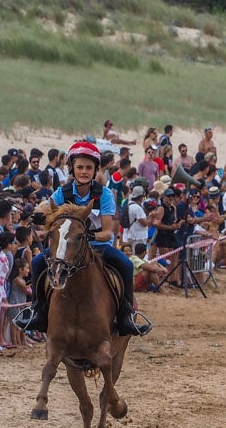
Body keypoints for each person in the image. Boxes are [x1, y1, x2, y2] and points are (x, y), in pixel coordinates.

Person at [15, 141, 153, 337]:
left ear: (96, 169)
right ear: (73, 168)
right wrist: (38, 215)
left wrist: (89, 235)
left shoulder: (104, 194)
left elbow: (107, 232)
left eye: (89, 168)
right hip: (69, 248)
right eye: (80, 167)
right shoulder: (63, 192)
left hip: (98, 246)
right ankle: (37, 311)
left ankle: (126, 315)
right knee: (38, 262)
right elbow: (46, 210)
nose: (84, 171)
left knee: (126, 265)